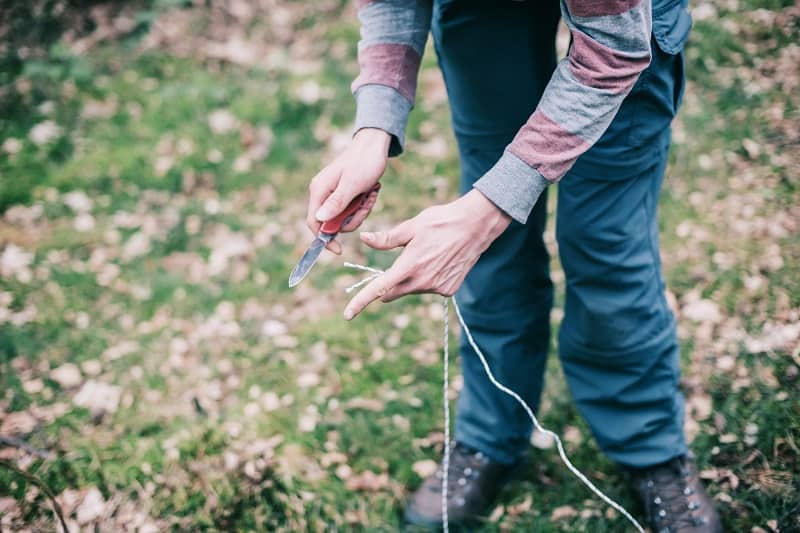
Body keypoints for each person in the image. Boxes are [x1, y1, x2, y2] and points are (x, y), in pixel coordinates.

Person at [304, 0, 723, 531]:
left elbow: (616, 46)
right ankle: (489, 434)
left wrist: (487, 211)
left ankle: (650, 448)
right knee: (491, 247)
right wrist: (374, 129)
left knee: (607, 245)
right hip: (483, 14)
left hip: (622, 26)